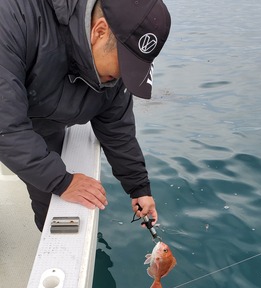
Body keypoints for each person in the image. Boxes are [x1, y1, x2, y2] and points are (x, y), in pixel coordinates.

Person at [0, 0, 171, 231]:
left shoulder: (114, 76)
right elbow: (6, 125)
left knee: (51, 201)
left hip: (42, 121)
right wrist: (63, 180)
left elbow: (117, 129)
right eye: (123, 67)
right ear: (99, 31)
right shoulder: (13, 16)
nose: (120, 77)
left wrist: (139, 187)